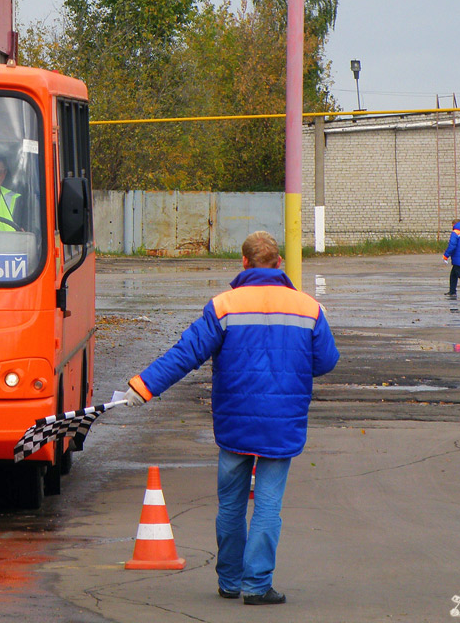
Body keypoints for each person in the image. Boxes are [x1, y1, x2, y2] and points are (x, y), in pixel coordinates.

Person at [123, 231, 340, 606]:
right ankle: (257, 585)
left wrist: (144, 386)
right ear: (279, 264)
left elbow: (185, 353)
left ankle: (229, 580)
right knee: (269, 505)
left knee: (231, 504)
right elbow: (326, 361)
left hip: (234, 423)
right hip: (281, 423)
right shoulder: (308, 308)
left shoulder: (224, 306)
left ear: (243, 262)